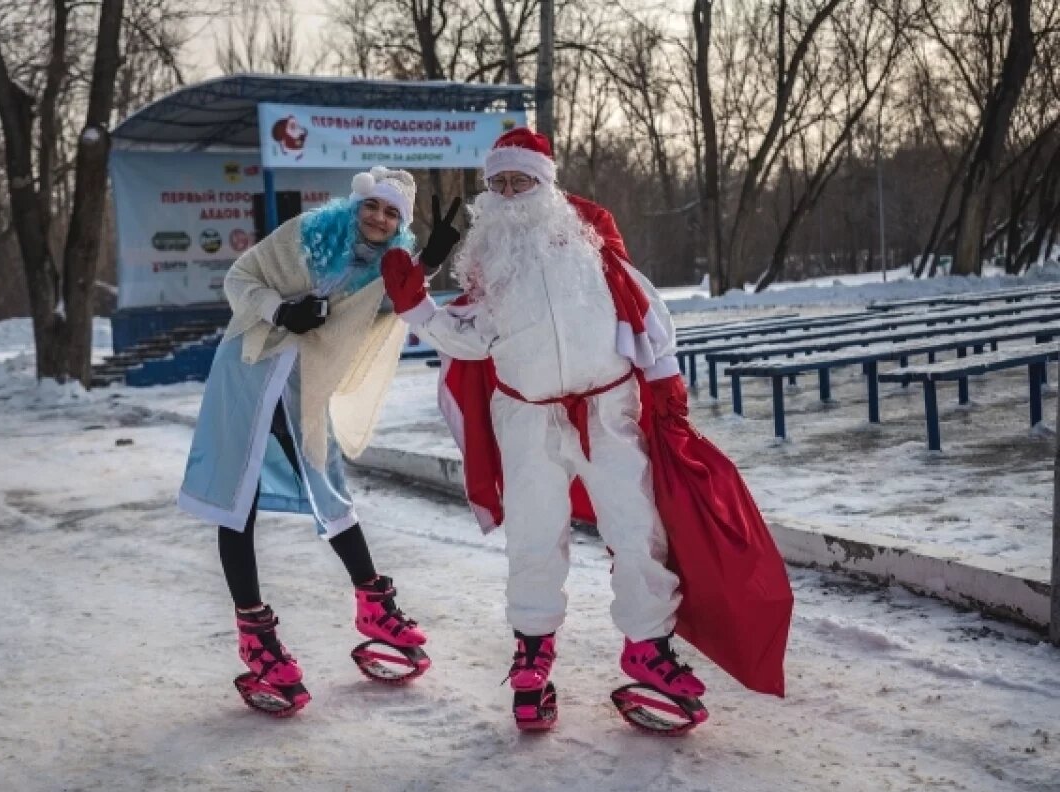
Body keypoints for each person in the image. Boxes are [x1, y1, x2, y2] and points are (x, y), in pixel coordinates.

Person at [381, 128, 792, 732]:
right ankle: (532, 653)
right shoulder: (491, 260)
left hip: (607, 411)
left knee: (638, 529)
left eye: (521, 181)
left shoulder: (588, 240)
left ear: (545, 184)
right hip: (527, 418)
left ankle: (648, 648)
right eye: (498, 183)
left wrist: (666, 384)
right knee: (534, 538)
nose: (509, 193)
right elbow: (467, 339)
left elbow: (646, 309)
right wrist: (416, 302)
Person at [178, 166, 453, 714]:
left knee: (328, 483)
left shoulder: (387, 266)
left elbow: (398, 304)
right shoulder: (307, 234)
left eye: (392, 213)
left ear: (400, 224)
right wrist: (281, 309)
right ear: (356, 205)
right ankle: (256, 637)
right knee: (238, 498)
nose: (378, 219)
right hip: (248, 371)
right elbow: (239, 278)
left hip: (303, 384)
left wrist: (429, 262)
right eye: (372, 206)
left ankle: (373, 605)